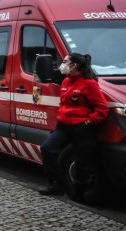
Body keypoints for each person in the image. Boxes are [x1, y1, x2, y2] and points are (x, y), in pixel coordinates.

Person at [38, 53, 109, 196]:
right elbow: (63, 103)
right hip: (64, 125)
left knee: (82, 160)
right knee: (47, 148)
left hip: (82, 127)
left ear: (74, 66)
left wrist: (89, 121)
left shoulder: (89, 84)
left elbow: (102, 108)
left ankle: (79, 192)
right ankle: (55, 184)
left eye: (65, 62)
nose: (62, 65)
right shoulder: (66, 81)